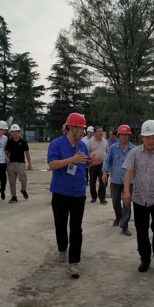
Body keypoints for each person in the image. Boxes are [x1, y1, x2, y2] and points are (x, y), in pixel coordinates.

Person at [48, 114, 103, 278]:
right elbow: (52, 164)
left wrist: (91, 163)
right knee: (60, 224)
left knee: (76, 228)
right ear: (72, 128)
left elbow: (82, 164)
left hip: (78, 193)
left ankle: (74, 262)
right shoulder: (56, 144)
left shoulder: (83, 146)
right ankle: (62, 248)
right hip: (60, 192)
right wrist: (72, 159)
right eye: (81, 129)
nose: (83, 132)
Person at [123, 120, 154, 275]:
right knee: (141, 231)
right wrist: (126, 192)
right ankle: (145, 259)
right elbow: (128, 172)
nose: (151, 141)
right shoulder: (134, 153)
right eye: (148, 137)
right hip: (139, 199)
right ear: (142, 138)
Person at [102, 124, 135, 236]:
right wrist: (104, 173)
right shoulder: (112, 148)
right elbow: (107, 160)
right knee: (115, 201)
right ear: (119, 135)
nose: (124, 137)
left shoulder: (134, 150)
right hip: (115, 180)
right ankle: (119, 216)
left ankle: (124, 226)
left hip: (129, 181)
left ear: (129, 136)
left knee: (127, 203)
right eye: (122, 135)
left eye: (126, 135)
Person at [5, 124, 32, 203]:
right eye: (12, 132)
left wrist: (29, 163)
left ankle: (23, 190)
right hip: (11, 164)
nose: (14, 133)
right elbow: (6, 151)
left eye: (15, 132)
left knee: (23, 179)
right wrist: (6, 157)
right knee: (12, 181)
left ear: (19, 132)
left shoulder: (23, 142)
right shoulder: (9, 142)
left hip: (21, 163)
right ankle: (14, 196)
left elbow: (27, 153)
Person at [87, 126, 109, 204]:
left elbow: (108, 152)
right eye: (99, 131)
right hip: (93, 164)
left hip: (103, 164)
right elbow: (87, 152)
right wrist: (91, 160)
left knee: (102, 181)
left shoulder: (105, 141)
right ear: (95, 132)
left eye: (101, 131)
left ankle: (102, 198)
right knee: (92, 181)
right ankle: (93, 196)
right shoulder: (90, 142)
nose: (101, 133)